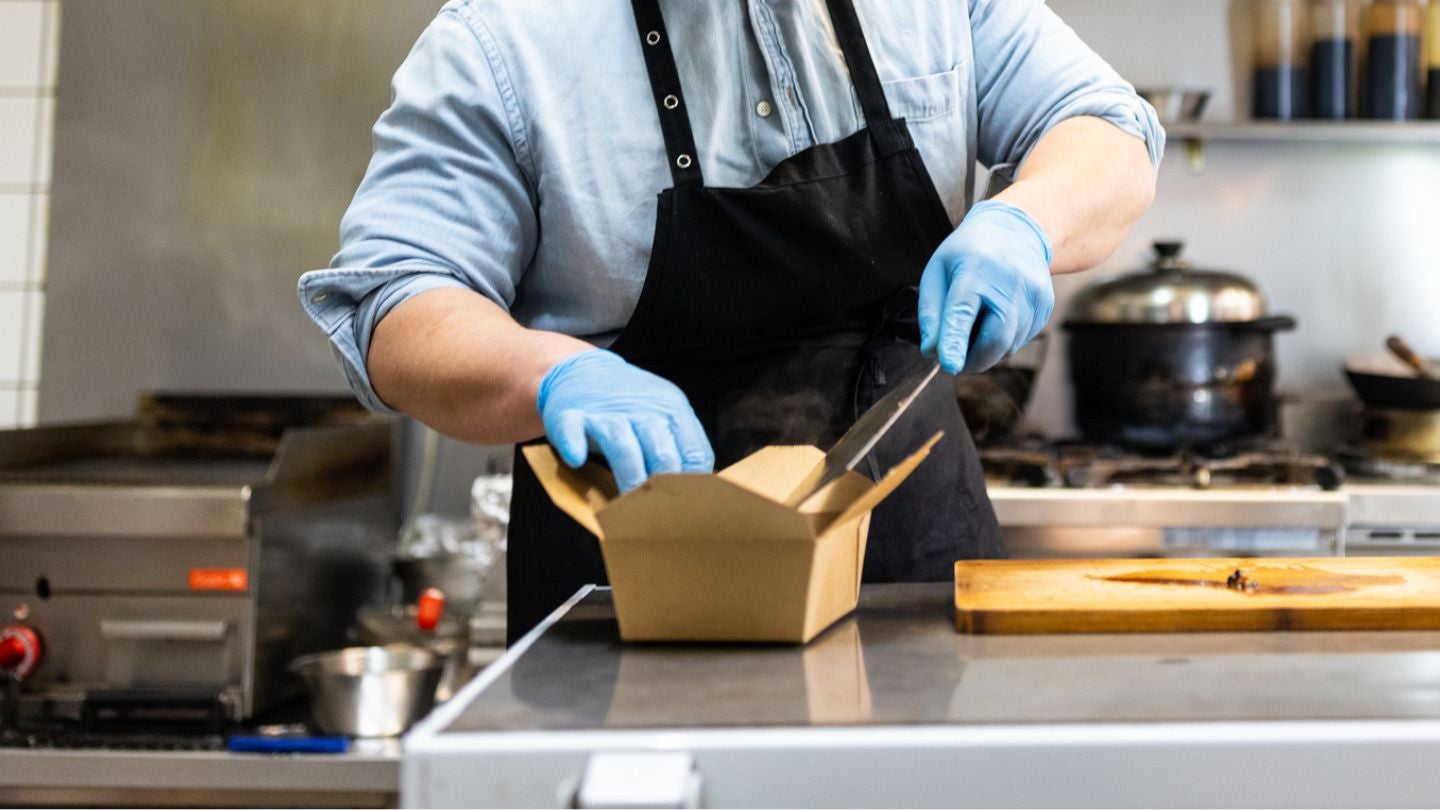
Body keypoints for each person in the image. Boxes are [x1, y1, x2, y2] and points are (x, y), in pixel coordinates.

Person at [299, 0, 1164, 642]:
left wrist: (1026, 221)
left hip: (912, 568)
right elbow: (396, 302)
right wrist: (548, 373)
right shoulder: (503, 39)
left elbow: (1107, 130)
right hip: (629, 590)